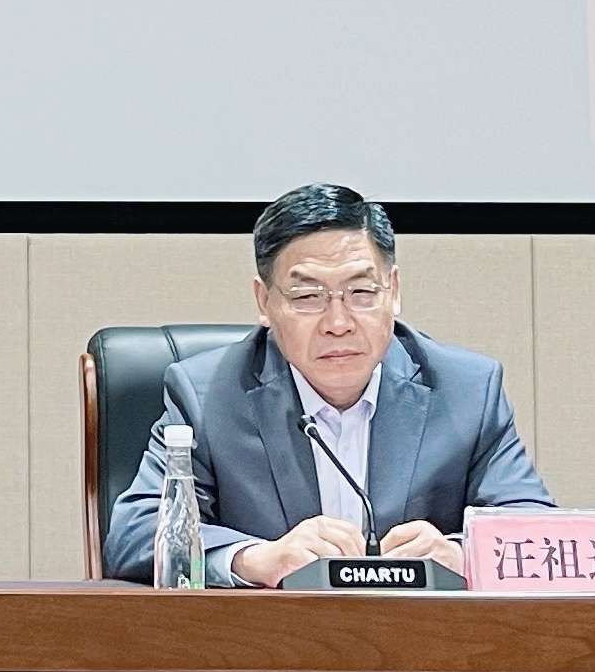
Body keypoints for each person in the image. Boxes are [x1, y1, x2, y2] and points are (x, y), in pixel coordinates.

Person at [101, 183, 553, 585]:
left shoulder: (467, 391)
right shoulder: (207, 395)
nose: (338, 323)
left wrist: (462, 555)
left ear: (394, 291)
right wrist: (255, 559)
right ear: (264, 301)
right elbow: (134, 534)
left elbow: (538, 534)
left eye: (361, 293)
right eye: (308, 297)